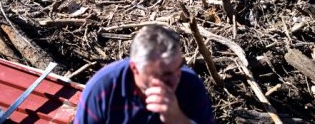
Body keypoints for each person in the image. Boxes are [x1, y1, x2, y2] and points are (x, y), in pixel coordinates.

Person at [74, 25, 214, 124]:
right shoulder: (102, 89)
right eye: (164, 74)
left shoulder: (190, 84)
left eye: (179, 67)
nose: (175, 79)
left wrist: (177, 119)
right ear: (135, 68)